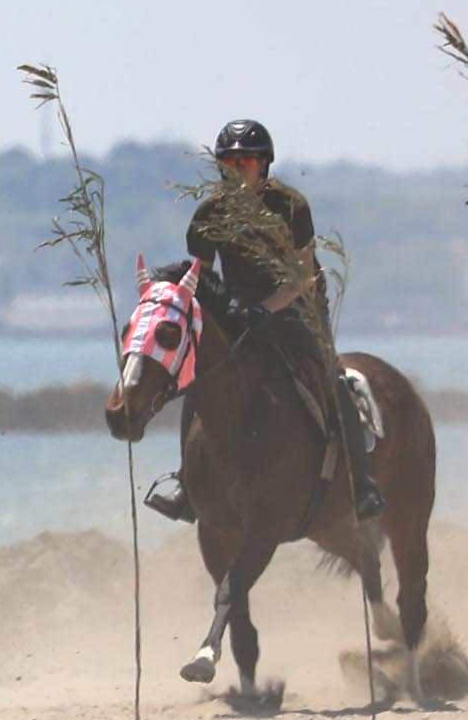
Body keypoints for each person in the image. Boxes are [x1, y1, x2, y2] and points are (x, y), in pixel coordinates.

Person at [163, 118, 384, 522]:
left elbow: (301, 275)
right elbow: (203, 277)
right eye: (228, 164)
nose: (236, 171)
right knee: (198, 381)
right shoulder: (210, 213)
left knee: (331, 380)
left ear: (263, 164)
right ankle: (185, 484)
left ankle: (362, 482)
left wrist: (267, 308)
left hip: (297, 308)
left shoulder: (291, 206)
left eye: (244, 162)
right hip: (240, 313)